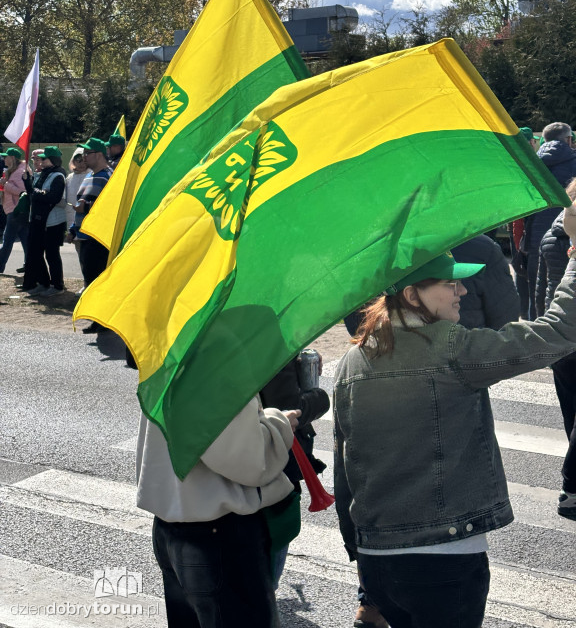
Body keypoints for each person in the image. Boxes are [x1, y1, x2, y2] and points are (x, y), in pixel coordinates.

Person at [334, 215, 576, 628]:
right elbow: (558, 331)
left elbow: (346, 471)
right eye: (450, 283)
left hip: (378, 562)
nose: (462, 290)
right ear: (412, 295)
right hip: (443, 559)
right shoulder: (450, 347)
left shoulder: (353, 360)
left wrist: (358, 549)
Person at [137, 394, 301, 627]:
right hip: (220, 534)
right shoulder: (215, 363)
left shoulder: (166, 359)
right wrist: (279, 422)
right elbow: (248, 458)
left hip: (171, 525)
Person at [260, 351, 330, 587]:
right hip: (271, 467)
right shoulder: (269, 336)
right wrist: (320, 397)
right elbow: (290, 409)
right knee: (264, 578)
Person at [536, 178, 576, 518]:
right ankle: (572, 486)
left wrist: (541, 330)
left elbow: (541, 286)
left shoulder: (552, 234)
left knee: (571, 409)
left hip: (557, 337)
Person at [522, 122, 576, 319]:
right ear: (569, 139)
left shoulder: (530, 165)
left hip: (538, 235)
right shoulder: (573, 162)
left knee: (539, 288)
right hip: (568, 234)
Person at [69, 138, 112, 331]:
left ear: (99, 154)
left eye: (88, 153)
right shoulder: (88, 176)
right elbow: (80, 204)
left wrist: (86, 207)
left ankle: (103, 320)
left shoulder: (109, 176)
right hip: (84, 236)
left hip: (99, 237)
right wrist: (72, 229)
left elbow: (111, 207)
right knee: (90, 278)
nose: (84, 157)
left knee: (98, 278)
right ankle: (97, 319)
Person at [21, 146, 67, 296]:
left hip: (53, 222)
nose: (40, 161)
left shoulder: (58, 176)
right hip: (40, 220)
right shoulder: (44, 174)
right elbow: (33, 194)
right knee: (36, 253)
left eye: (44, 158)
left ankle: (57, 286)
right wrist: (28, 182)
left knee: (52, 254)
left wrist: (36, 193)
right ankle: (44, 282)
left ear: (52, 160)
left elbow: (53, 197)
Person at [65, 148, 90, 294]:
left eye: (82, 159)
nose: (80, 163)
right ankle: (85, 282)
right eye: (77, 159)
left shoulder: (90, 175)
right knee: (80, 253)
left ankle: (90, 284)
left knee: (89, 256)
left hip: (87, 222)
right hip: (73, 222)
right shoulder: (69, 178)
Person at [0, 147, 29, 274]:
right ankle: (30, 265)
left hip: (16, 211)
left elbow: (23, 192)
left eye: (5, 156)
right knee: (25, 240)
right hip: (17, 211)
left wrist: (6, 184)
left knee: (7, 241)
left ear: (12, 158)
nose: (3, 159)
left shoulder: (20, 172)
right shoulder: (15, 171)